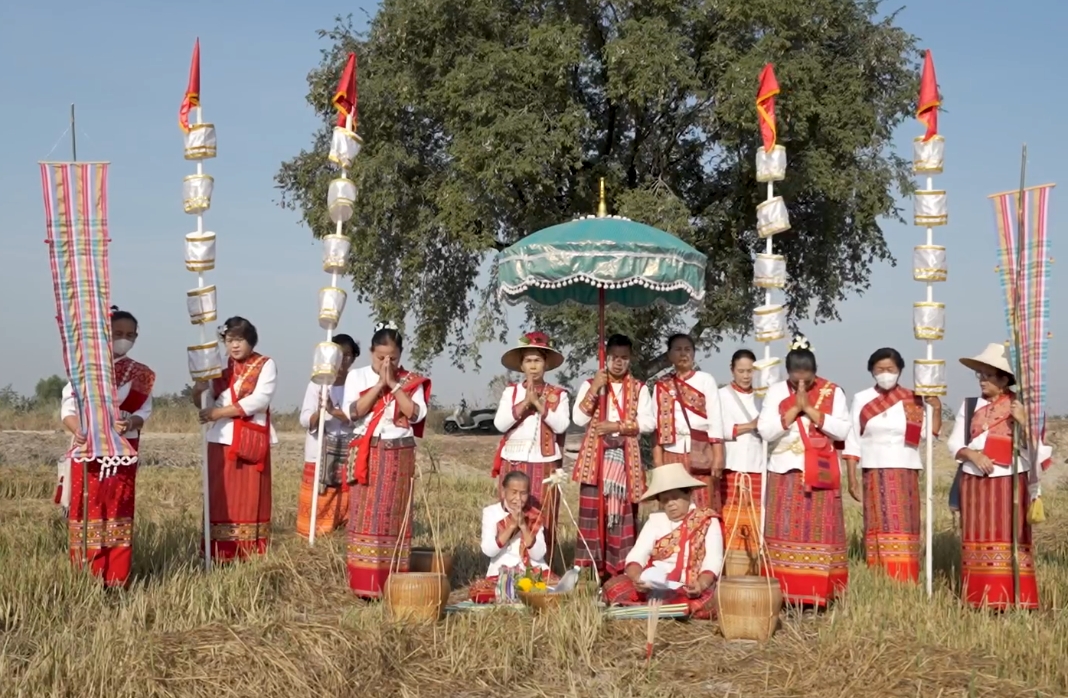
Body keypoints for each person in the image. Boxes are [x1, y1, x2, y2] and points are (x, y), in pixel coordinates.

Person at [946, 343, 1053, 610]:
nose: (982, 380)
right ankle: (979, 598)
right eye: (980, 374)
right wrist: (973, 455)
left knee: (1010, 537)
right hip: (974, 481)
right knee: (977, 537)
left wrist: (1024, 421)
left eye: (988, 375)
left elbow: (1038, 451)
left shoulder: (1024, 407)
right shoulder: (970, 405)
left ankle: (1013, 598)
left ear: (1004, 379)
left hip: (1010, 481)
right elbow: (955, 443)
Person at [58, 306, 155, 587]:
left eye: (130, 335)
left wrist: (131, 422)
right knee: (87, 508)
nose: (124, 339)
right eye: (118, 333)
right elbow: (68, 408)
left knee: (118, 508)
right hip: (88, 449)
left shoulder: (141, 374)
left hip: (122, 451)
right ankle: (86, 576)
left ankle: (116, 577)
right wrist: (77, 430)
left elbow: (144, 411)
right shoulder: (84, 369)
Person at [757, 336, 851, 607]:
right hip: (784, 471)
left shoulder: (832, 392)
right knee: (783, 530)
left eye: (807, 379)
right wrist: (793, 410)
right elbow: (765, 431)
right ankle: (783, 592)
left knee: (819, 532)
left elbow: (842, 430)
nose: (801, 384)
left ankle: (817, 594)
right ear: (788, 372)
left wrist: (809, 409)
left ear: (815, 372)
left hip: (820, 470)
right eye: (795, 378)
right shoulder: (776, 392)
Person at [343, 322, 431, 599]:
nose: (386, 363)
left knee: (392, 516)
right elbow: (353, 412)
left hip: (398, 454)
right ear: (371, 352)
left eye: (392, 358)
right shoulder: (356, 376)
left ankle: (391, 582)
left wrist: (393, 385)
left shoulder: (410, 381)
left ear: (400, 355)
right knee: (364, 515)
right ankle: (362, 583)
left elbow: (415, 414)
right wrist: (379, 385)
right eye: (380, 357)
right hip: (367, 451)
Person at [842, 347, 941, 583]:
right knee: (878, 522)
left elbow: (929, 434)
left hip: (905, 468)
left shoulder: (913, 398)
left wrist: (936, 408)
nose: (885, 374)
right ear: (871, 371)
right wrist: (852, 478)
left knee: (904, 523)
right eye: (880, 369)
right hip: (874, 470)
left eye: (890, 369)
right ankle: (879, 576)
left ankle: (905, 575)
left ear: (900, 371)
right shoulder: (862, 398)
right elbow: (853, 439)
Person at [571, 334, 655, 581]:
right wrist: (595, 389)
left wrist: (617, 426)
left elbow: (648, 422)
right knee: (592, 516)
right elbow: (578, 418)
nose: (619, 362)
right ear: (606, 357)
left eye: (624, 358)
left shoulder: (639, 388)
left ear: (631, 358)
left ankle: (619, 572)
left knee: (622, 516)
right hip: (595, 460)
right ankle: (590, 572)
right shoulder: (591, 384)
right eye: (614, 357)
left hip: (625, 460)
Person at [193, 316, 277, 563]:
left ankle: (249, 552)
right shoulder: (218, 367)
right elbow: (206, 402)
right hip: (220, 437)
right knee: (220, 496)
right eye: (230, 340)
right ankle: (218, 552)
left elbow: (260, 399)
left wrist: (220, 412)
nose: (235, 345)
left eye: (239, 340)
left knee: (250, 496)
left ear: (250, 341)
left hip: (251, 437)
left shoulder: (264, 364)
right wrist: (198, 389)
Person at [601, 462, 724, 619]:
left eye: (675, 498)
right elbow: (637, 555)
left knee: (706, 601)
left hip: (690, 587)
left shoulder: (707, 519)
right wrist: (638, 579)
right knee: (613, 586)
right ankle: (667, 610)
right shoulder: (655, 521)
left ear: (688, 494)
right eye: (665, 500)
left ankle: (647, 609)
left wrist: (700, 585)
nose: (671, 504)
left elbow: (713, 560)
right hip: (653, 585)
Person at [491, 331, 571, 562]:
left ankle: (541, 565)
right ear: (521, 365)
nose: (533, 366)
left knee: (543, 513)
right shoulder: (511, 392)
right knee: (512, 511)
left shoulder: (558, 394)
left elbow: (561, 425)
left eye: (537, 360)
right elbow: (500, 423)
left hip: (545, 463)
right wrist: (526, 402)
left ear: (546, 364)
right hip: (514, 460)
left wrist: (540, 405)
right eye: (528, 360)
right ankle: (508, 565)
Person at [296, 334, 361, 539]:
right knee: (319, 497)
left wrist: (335, 412)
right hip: (320, 451)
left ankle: (343, 534)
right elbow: (305, 418)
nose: (343, 361)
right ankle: (315, 534)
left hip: (349, 450)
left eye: (348, 355)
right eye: (338, 355)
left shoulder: (357, 383)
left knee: (348, 496)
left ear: (354, 357)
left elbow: (360, 418)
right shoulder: (318, 384)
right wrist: (321, 412)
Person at [651, 333, 725, 510]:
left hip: (700, 451)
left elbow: (715, 421)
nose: (683, 354)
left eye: (687, 349)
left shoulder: (705, 380)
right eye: (678, 349)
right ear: (669, 355)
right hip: (671, 452)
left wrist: (718, 457)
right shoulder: (661, 385)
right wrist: (658, 462)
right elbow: (656, 427)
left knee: (703, 504)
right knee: (675, 504)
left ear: (694, 353)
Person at [468, 470, 551, 603]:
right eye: (514, 492)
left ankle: (519, 593)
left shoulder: (534, 515)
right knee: (480, 593)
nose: (518, 498)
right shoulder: (491, 513)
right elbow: (489, 551)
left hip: (532, 571)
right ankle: (519, 594)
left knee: (555, 588)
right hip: (501, 572)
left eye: (523, 493)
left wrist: (523, 526)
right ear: (503, 492)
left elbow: (538, 555)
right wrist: (511, 526)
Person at [717, 349, 766, 571]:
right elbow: (719, 429)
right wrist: (750, 426)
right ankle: (730, 564)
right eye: (741, 371)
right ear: (732, 370)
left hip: (757, 466)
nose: (746, 376)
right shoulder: (721, 395)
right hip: (731, 464)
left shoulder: (763, 397)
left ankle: (753, 565)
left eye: (750, 371)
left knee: (756, 516)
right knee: (730, 516)